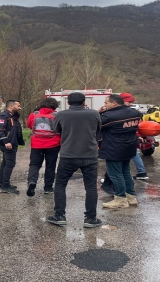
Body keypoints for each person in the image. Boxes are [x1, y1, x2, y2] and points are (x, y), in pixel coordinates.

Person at [46, 92, 103, 228]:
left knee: (60, 185)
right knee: (90, 187)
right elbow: (98, 130)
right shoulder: (94, 114)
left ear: (68, 102)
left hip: (68, 155)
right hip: (89, 155)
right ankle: (90, 218)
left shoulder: (61, 114)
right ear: (84, 102)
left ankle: (59, 216)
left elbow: (57, 131)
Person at [100, 94, 142, 209]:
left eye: (106, 103)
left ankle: (120, 199)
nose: (105, 105)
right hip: (129, 146)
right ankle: (131, 197)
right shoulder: (135, 113)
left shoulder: (109, 116)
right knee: (126, 172)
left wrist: (99, 112)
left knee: (115, 174)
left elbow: (95, 124)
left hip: (114, 148)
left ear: (114, 103)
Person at [26, 98, 61, 196]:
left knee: (34, 165)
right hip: (53, 144)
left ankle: (32, 182)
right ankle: (48, 187)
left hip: (37, 145)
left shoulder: (34, 115)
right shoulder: (57, 116)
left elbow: (29, 125)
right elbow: (60, 128)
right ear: (54, 106)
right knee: (50, 166)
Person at [0, 100, 24, 194]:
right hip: (8, 144)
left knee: (5, 163)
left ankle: (3, 183)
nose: (20, 107)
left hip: (13, 142)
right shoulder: (3, 116)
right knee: (10, 164)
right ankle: (5, 185)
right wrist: (6, 142)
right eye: (18, 106)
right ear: (11, 106)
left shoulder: (13, 116)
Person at [121, 92, 149, 180]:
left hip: (123, 138)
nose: (131, 104)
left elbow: (133, 126)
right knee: (134, 155)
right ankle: (142, 172)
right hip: (130, 138)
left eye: (131, 102)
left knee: (117, 157)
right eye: (129, 102)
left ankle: (111, 178)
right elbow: (135, 126)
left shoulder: (122, 113)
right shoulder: (134, 113)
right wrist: (137, 135)